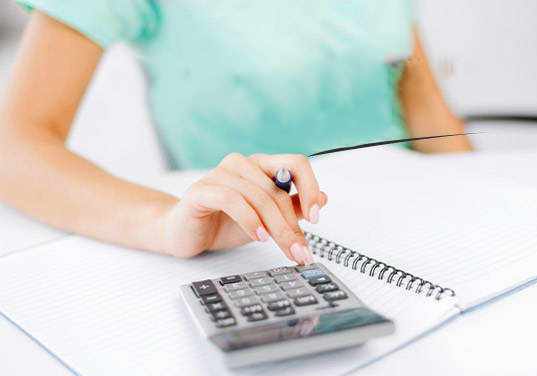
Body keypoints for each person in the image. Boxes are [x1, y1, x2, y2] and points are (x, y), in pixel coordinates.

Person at [0, 1, 471, 265]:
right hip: (262, 256)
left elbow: (427, 109)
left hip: (416, 235)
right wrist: (164, 222)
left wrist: (486, 209)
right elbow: (12, 146)